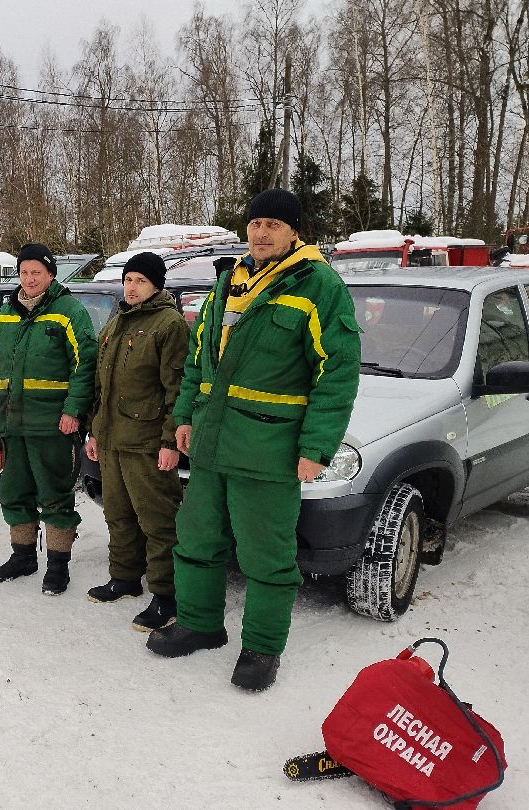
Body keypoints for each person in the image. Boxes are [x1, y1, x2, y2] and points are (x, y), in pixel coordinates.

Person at [146, 188, 361, 691]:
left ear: (294, 232)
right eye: (255, 223)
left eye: (273, 224)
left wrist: (316, 447)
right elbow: (199, 359)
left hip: (269, 447)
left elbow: (338, 371)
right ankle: (200, 624)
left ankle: (262, 648)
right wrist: (185, 417)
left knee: (266, 555)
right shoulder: (229, 280)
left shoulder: (318, 285)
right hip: (211, 442)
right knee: (197, 539)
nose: (261, 233)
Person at [0, 242, 97, 595]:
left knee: (55, 494)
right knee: (13, 491)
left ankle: (58, 565)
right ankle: (23, 556)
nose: (29, 279)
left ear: (51, 275)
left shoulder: (69, 311)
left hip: (51, 424)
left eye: (36, 273)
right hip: (10, 422)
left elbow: (85, 365)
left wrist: (73, 411)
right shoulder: (5, 314)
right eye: (24, 272)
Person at [84, 251, 189, 631]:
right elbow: (101, 387)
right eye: (128, 280)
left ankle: (167, 595)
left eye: (140, 281)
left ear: (156, 285)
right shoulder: (116, 323)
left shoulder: (169, 324)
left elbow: (176, 390)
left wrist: (169, 442)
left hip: (147, 443)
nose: (132, 287)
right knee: (118, 515)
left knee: (158, 522)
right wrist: (95, 432)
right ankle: (125, 578)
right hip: (112, 439)